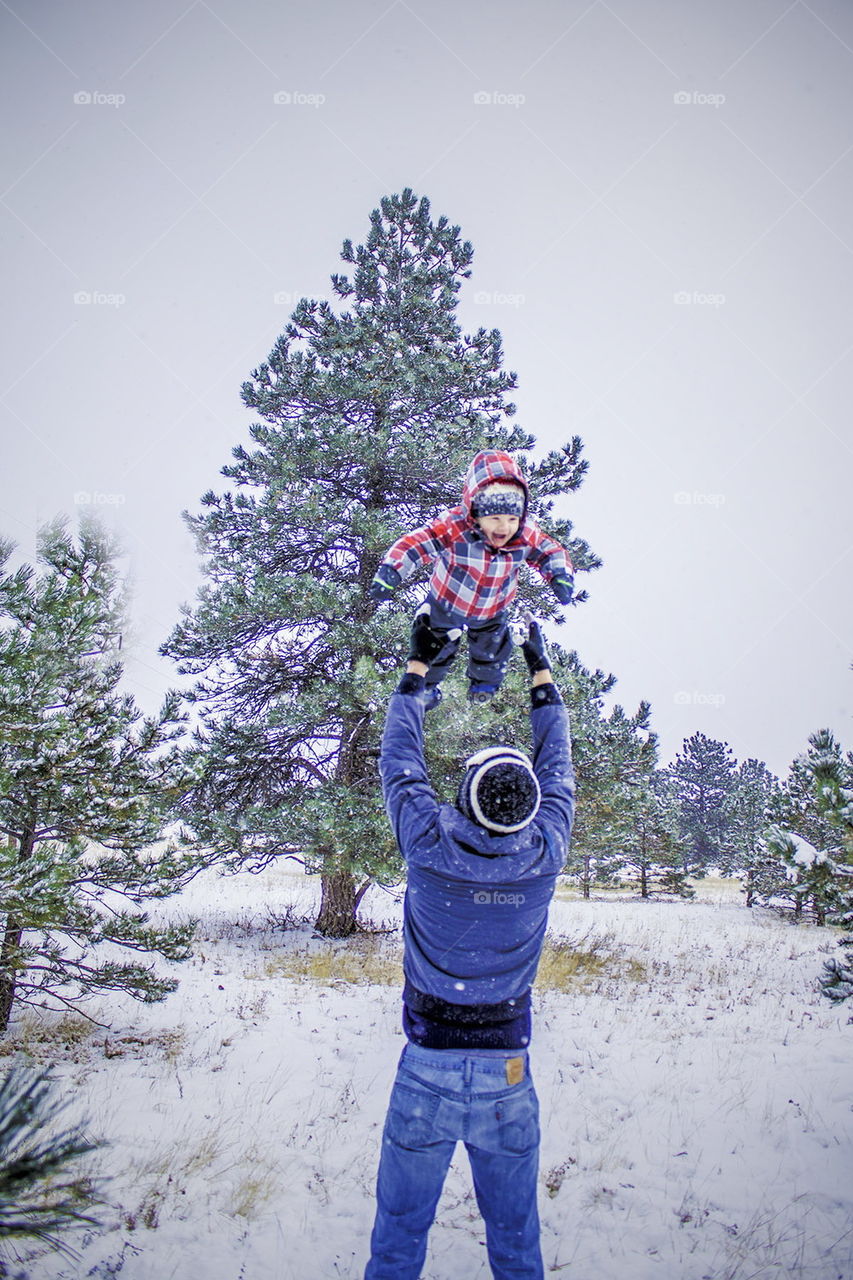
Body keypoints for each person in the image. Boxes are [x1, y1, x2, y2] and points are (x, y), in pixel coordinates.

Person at [363, 615, 575, 1280]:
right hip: (506, 1074)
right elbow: (560, 767)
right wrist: (542, 677)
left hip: (426, 1064)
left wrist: (416, 673)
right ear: (530, 807)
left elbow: (399, 760)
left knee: (398, 1235)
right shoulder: (542, 852)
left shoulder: (429, 847)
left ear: (460, 799)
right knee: (515, 1241)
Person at [368, 450, 574, 705]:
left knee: (493, 650)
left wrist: (560, 574)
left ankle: (484, 684)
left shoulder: (525, 535)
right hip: (446, 602)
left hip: (492, 608)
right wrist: (392, 570)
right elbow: (418, 542)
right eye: (495, 518)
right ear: (476, 512)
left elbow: (550, 550)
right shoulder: (454, 527)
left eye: (512, 519)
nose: (504, 527)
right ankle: (426, 686)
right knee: (434, 645)